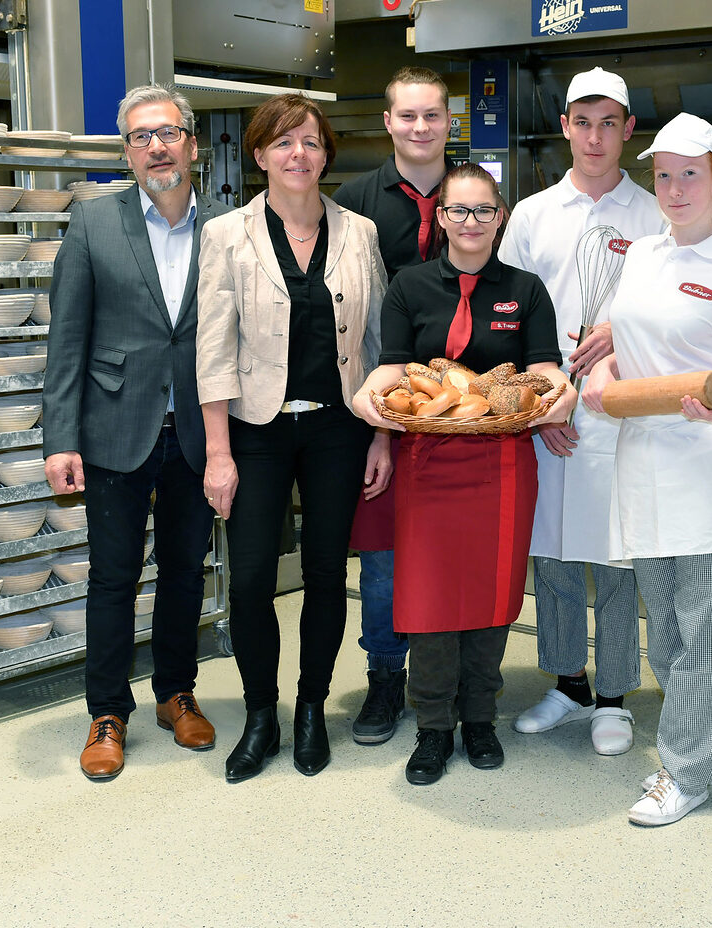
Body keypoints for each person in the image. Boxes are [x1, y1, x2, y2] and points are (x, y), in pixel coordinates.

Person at [352, 163, 575, 786]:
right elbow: (393, 370)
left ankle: (479, 717)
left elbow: (543, 368)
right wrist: (367, 404)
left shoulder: (526, 289)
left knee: (491, 596)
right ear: (441, 217)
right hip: (426, 464)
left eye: (483, 211)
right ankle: (432, 728)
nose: (470, 222)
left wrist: (563, 395)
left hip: (503, 463)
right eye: (458, 211)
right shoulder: (410, 286)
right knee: (426, 598)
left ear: (500, 215)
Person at [582, 113, 712, 826]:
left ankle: (685, 772)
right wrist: (603, 365)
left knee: (707, 631)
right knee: (665, 629)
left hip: (706, 466)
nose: (675, 187)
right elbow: (623, 338)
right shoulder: (643, 258)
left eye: (691, 173)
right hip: (642, 460)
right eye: (663, 174)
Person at [196, 94, 388, 783]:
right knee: (249, 581)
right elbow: (212, 352)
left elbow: (375, 346)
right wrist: (218, 454)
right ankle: (259, 716)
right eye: (282, 144)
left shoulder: (359, 233)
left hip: (339, 427)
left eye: (309, 142)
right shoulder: (226, 236)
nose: (297, 155)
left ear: (326, 152)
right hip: (255, 431)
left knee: (326, 576)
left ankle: (311, 707)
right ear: (258, 156)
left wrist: (382, 436)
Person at [43, 84, 228, 781]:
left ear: (192, 142)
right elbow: (67, 340)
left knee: (185, 571)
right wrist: (60, 436)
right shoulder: (94, 224)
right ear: (127, 151)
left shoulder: (226, 227)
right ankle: (106, 712)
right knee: (114, 577)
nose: (156, 146)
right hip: (115, 428)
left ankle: (177, 694)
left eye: (168, 132)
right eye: (141, 136)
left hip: (199, 432)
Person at [498, 67, 664, 755]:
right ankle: (569, 683)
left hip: (627, 414)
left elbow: (679, 309)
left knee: (619, 560)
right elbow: (503, 318)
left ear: (628, 130)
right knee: (558, 555)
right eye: (582, 122)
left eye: (609, 123)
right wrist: (542, 407)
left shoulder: (655, 213)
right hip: (549, 415)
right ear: (564, 126)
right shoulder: (533, 216)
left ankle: (616, 695)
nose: (595, 138)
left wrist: (623, 332)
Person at [333, 66, 456, 745]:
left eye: (431, 115)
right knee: (381, 560)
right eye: (406, 116)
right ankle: (385, 678)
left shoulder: (475, 196)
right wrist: (372, 423)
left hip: (466, 408)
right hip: (382, 408)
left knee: (451, 550)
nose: (419, 127)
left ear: (448, 121)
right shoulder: (353, 204)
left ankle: (450, 678)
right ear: (388, 122)